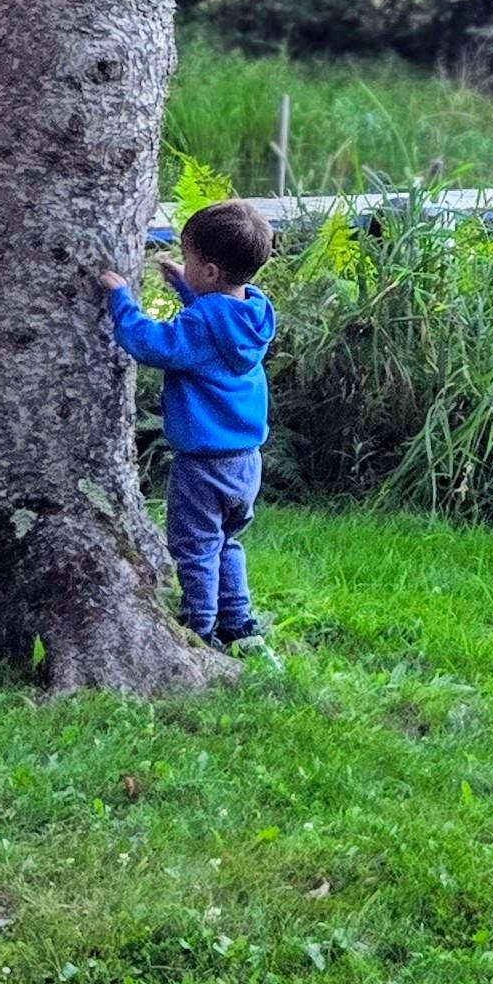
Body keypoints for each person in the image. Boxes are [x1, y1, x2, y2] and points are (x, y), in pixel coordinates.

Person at [99, 199, 278, 648]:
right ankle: (238, 621)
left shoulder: (201, 321)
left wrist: (121, 300)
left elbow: (155, 345)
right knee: (226, 542)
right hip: (245, 461)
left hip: (203, 465)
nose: (186, 265)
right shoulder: (254, 313)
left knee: (195, 547)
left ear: (212, 271)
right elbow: (216, 328)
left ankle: (198, 627)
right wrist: (186, 288)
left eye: (190, 259)